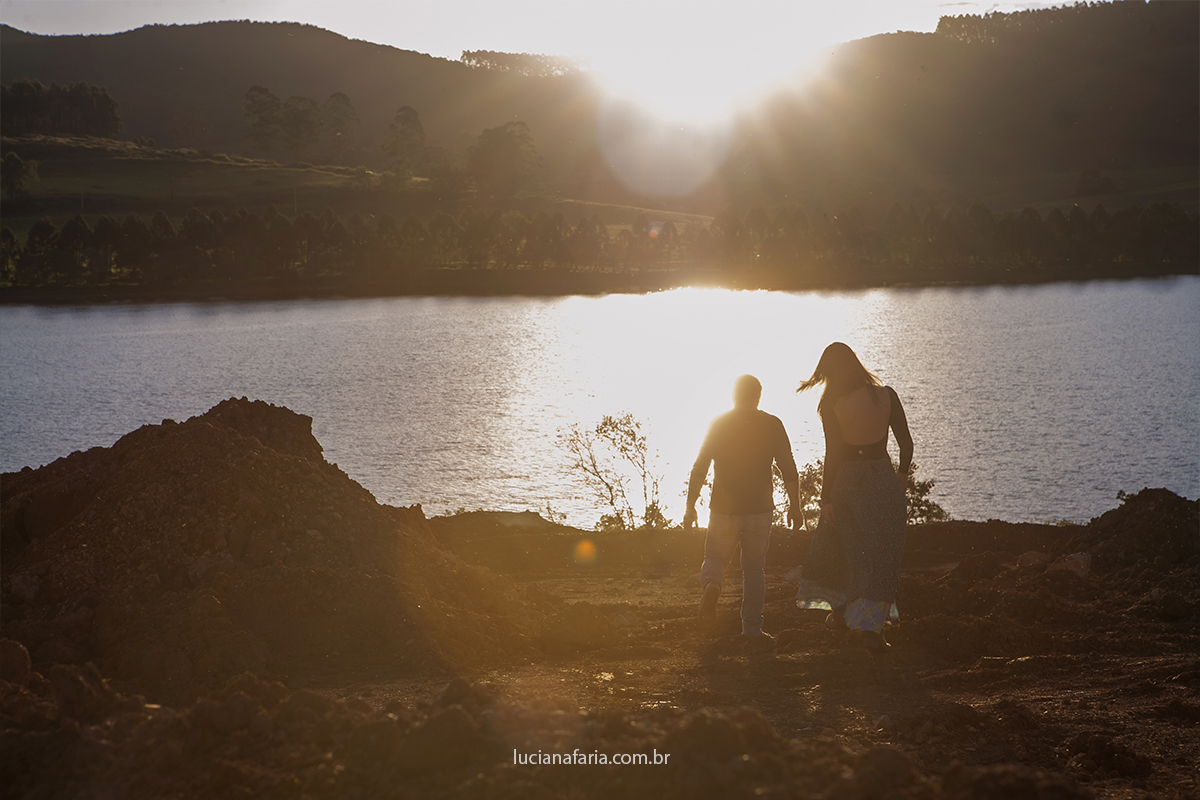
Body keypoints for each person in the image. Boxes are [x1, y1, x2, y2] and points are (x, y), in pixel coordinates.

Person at [794, 342, 913, 650]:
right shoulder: (886, 395)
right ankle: (873, 631)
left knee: (841, 550)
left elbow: (833, 454)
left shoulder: (831, 404)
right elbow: (906, 443)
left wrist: (826, 498)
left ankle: (841, 617)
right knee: (883, 555)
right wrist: (901, 476)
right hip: (883, 478)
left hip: (848, 482)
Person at [684, 374, 800, 638]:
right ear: (758, 396)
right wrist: (795, 506)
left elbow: (699, 467)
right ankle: (751, 629)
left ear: (733, 395)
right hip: (760, 510)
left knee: (714, 558)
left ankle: (713, 585)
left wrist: (690, 507)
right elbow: (789, 469)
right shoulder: (772, 424)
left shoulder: (719, 423)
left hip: (724, 509)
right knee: (754, 567)